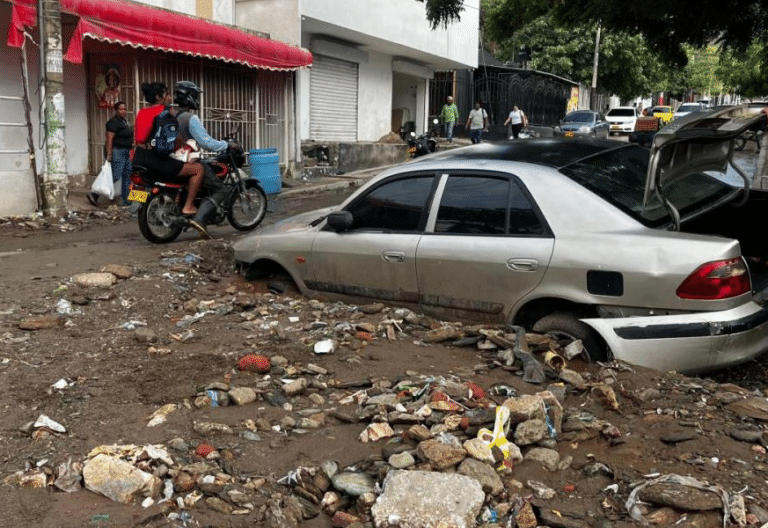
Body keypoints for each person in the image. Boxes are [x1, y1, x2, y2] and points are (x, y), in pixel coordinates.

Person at [131, 82, 205, 224]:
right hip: (156, 160)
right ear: (159, 97)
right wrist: (184, 145)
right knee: (198, 169)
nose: (170, 97)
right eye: (167, 94)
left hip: (139, 158)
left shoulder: (142, 112)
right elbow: (172, 136)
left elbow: (141, 137)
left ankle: (139, 202)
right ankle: (188, 206)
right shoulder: (166, 111)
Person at [172, 80, 230, 239]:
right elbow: (207, 143)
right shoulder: (190, 118)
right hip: (187, 162)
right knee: (222, 189)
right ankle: (200, 219)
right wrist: (225, 144)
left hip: (170, 161)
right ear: (190, 97)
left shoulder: (168, 114)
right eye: (195, 96)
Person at [89, 101, 133, 206]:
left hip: (126, 152)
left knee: (127, 175)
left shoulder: (124, 122)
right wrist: (109, 154)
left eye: (125, 109)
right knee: (114, 175)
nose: (123, 111)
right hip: (117, 151)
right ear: (116, 110)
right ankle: (94, 193)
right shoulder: (113, 122)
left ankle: (127, 200)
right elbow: (109, 138)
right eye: (121, 109)